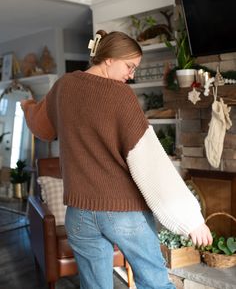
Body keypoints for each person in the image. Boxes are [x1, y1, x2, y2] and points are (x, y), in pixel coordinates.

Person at [21, 30, 212, 289]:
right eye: (130, 66)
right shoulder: (121, 96)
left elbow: (42, 127)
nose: (131, 75)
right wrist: (191, 219)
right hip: (123, 213)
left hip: (78, 213)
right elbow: (150, 162)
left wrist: (28, 107)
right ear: (109, 59)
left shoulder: (63, 87)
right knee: (155, 284)